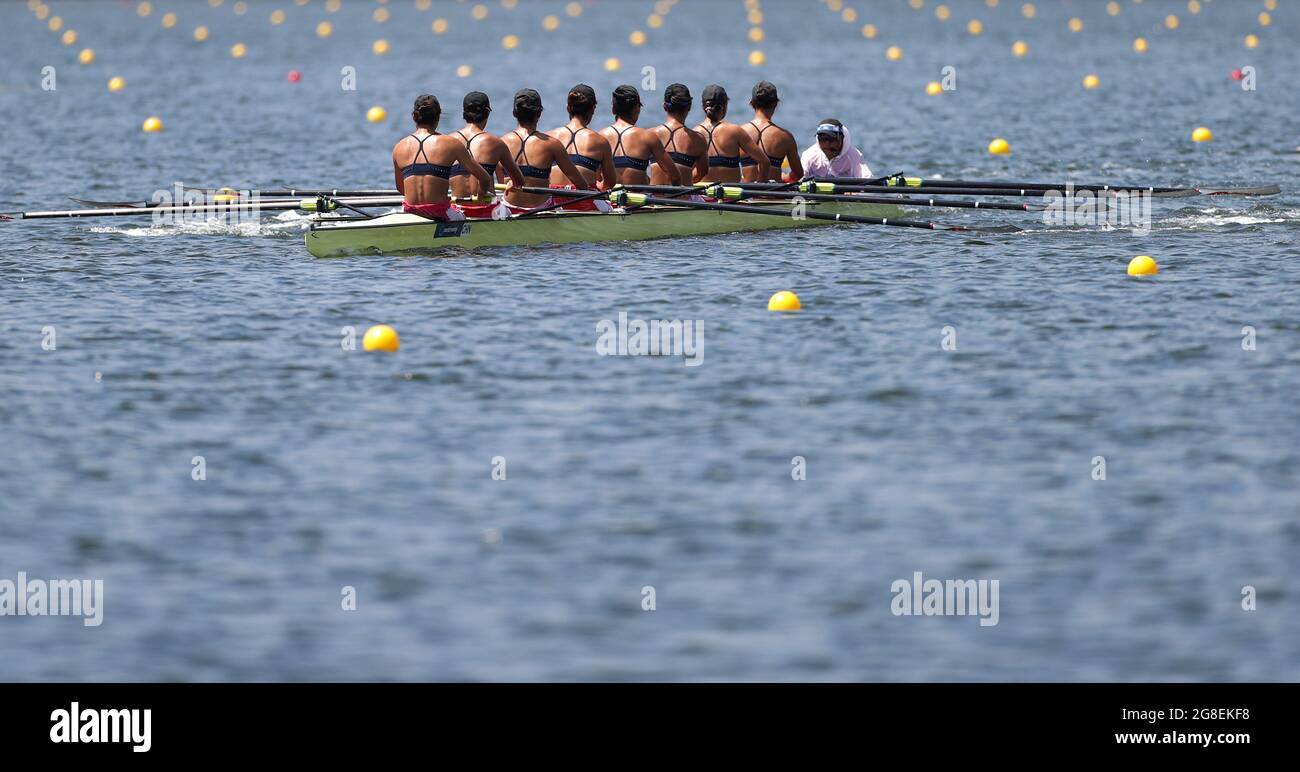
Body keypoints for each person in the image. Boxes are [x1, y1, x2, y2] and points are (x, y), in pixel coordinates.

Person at [391, 94, 494, 221]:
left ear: (414, 116)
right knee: (460, 214)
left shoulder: (398, 147)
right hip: (440, 214)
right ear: (438, 116)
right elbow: (484, 178)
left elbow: (402, 189)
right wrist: (482, 193)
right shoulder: (452, 144)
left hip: (410, 212)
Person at [499, 88, 589, 215]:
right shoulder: (552, 144)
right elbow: (582, 186)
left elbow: (496, 184)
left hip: (508, 208)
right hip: (542, 210)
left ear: (514, 113)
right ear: (539, 113)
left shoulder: (500, 144)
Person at [546, 84, 618, 210]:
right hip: (583, 198)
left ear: (568, 108)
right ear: (593, 109)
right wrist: (597, 188)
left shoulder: (549, 137)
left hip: (553, 197)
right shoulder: (600, 141)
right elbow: (610, 183)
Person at [447, 91, 524, 203]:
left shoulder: (448, 141)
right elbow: (519, 181)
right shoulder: (496, 143)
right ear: (487, 113)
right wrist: (511, 183)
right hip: (487, 209)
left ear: (464, 113)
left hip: (458, 208)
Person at [598, 85, 679, 186]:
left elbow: (596, 177)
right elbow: (675, 175)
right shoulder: (648, 137)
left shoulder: (599, 137)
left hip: (608, 199)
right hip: (639, 199)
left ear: (613, 110)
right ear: (637, 109)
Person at [694, 84, 769, 183]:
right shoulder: (735, 131)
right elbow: (764, 161)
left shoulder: (693, 133)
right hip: (731, 196)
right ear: (725, 106)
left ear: (703, 106)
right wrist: (760, 185)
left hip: (701, 196)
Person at [740, 81, 802, 183]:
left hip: (744, 196)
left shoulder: (739, 132)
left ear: (751, 103)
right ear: (776, 104)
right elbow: (798, 174)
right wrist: (784, 179)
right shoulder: (785, 137)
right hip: (773, 195)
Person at [651, 83, 707, 186]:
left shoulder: (650, 135)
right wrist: (686, 183)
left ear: (664, 106)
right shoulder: (698, 139)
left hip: (655, 196)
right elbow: (702, 172)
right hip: (683, 198)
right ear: (689, 107)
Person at [799, 119, 872, 180]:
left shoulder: (854, 155)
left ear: (842, 139)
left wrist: (856, 192)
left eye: (831, 139)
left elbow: (868, 180)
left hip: (845, 196)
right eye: (822, 139)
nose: (827, 144)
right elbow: (799, 179)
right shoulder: (809, 155)